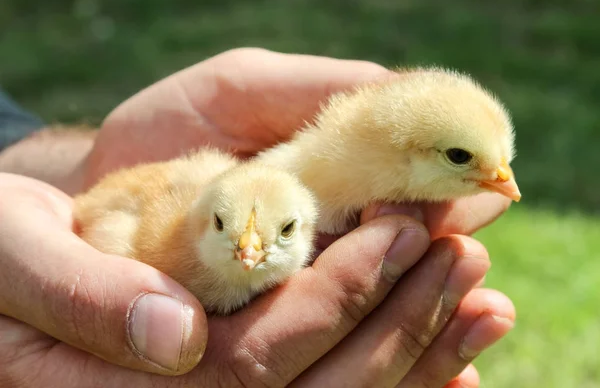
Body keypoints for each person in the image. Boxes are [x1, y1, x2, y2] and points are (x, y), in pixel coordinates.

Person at [0, 48, 515, 387]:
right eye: (458, 158)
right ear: (402, 153)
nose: (505, 184)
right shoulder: (229, 197)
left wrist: (49, 163)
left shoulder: (278, 185)